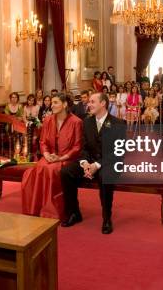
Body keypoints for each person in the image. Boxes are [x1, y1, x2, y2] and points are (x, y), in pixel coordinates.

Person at [60, 92, 126, 234]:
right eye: (89, 102)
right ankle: (74, 213)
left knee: (104, 176)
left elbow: (117, 153)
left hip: (110, 163)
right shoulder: (87, 122)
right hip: (89, 162)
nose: (88, 104)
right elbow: (83, 147)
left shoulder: (118, 123)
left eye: (92, 101)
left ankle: (107, 218)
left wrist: (97, 165)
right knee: (66, 172)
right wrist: (84, 163)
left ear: (103, 103)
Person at [22, 93, 82, 220]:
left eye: (56, 102)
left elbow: (77, 147)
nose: (52, 105)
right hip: (49, 156)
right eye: (52, 102)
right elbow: (43, 141)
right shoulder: (48, 120)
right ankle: (37, 208)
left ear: (65, 104)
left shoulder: (76, 122)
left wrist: (61, 158)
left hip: (67, 158)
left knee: (51, 170)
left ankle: (53, 211)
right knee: (38, 168)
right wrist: (46, 154)